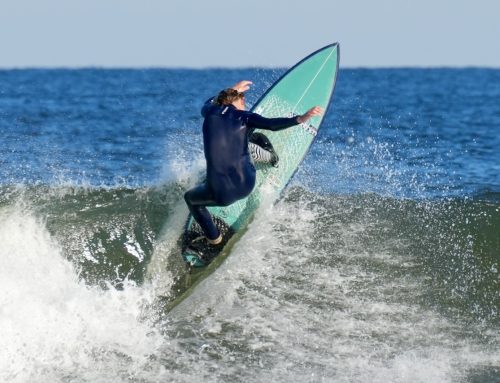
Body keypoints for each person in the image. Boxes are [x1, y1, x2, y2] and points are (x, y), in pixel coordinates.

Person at [184, 80, 322, 247]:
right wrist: (301, 118)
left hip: (219, 195)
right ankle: (271, 157)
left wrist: (232, 89)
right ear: (239, 101)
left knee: (190, 199)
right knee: (252, 139)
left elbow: (209, 102)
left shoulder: (209, 111)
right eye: (244, 102)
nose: (245, 105)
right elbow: (271, 125)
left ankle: (214, 239)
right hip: (245, 184)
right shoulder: (245, 117)